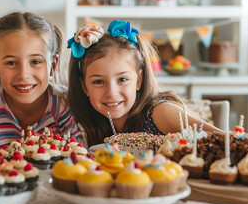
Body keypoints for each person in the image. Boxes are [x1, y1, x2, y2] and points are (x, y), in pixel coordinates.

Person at [67, 20, 223, 147]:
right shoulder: (90, 125)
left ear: (139, 80)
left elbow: (226, 140)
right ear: (84, 87)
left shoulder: (159, 114)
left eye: (122, 79)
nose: (111, 92)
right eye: (98, 81)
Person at [0, 11, 81, 151]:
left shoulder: (65, 103)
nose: (24, 74)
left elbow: (76, 157)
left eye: (36, 61)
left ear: (53, 65)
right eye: (11, 63)